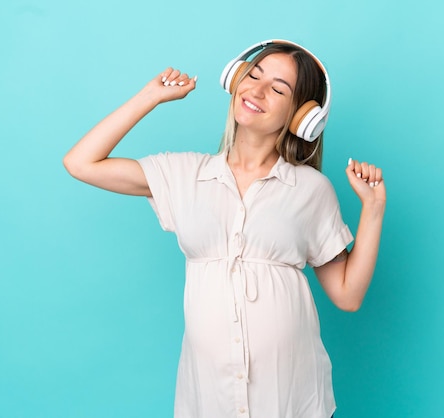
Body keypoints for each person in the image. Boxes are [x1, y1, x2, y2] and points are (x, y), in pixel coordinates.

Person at [63, 40, 386, 418]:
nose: (258, 90)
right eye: (253, 75)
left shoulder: (312, 190)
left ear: (302, 117)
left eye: (279, 89)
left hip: (291, 398)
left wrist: (374, 209)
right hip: (208, 397)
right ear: (234, 80)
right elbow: (81, 162)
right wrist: (150, 97)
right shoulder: (184, 174)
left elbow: (348, 295)